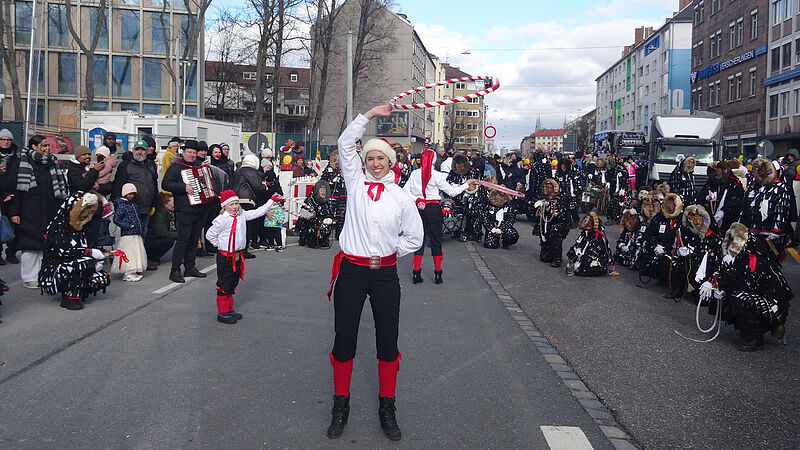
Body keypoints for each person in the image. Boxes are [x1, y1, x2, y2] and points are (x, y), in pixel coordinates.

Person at [326, 105, 424, 441]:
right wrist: (369, 115)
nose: (376, 163)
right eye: (370, 158)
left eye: (381, 158)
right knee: (344, 340)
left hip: (384, 276)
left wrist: (389, 252)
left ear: (390, 162)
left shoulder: (401, 197)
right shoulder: (353, 183)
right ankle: (341, 406)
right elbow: (344, 142)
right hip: (351, 272)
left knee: (387, 342)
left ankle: (387, 407)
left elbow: (415, 237)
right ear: (364, 162)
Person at [710, 223, 792, 351]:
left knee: (740, 298)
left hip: (772, 303)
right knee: (728, 295)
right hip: (757, 296)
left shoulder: (754, 258)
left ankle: (756, 337)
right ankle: (745, 330)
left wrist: (726, 286)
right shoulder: (736, 257)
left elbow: (748, 285)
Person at [205, 190, 277, 324]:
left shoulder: (241, 215)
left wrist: (271, 201)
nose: (234, 207)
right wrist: (221, 246)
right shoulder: (221, 220)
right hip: (226, 257)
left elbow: (258, 212)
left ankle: (229, 309)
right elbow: (209, 235)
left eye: (236, 203)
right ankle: (222, 313)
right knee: (224, 284)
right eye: (231, 204)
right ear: (224, 206)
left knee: (233, 282)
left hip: (238, 255)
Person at [6, 135, 69, 289]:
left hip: (49, 210)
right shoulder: (22, 163)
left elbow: (60, 188)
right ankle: (29, 277)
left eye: (48, 146)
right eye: (44, 145)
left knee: (45, 244)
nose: (47, 149)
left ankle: (43, 274)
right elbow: (14, 191)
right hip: (29, 211)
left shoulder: (52, 163)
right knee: (30, 246)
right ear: (34, 147)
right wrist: (14, 212)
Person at [404, 149, 474, 284]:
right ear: (434, 160)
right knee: (436, 240)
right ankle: (438, 273)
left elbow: (405, 191)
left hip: (418, 208)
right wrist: (466, 184)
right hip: (434, 208)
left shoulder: (414, 174)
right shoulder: (437, 176)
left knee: (419, 240)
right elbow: (452, 192)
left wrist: (418, 200)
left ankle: (416, 273)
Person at [39, 192, 110, 310]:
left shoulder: (84, 227)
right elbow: (64, 251)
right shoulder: (58, 227)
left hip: (75, 261)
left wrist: (98, 256)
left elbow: (89, 244)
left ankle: (80, 291)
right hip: (56, 265)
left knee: (99, 275)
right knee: (83, 263)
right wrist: (89, 252)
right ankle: (69, 297)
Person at [161, 139, 209, 283]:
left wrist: (206, 170)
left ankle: (190, 267)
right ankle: (175, 270)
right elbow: (166, 183)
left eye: (194, 153)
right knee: (183, 240)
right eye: (189, 152)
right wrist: (183, 187)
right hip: (184, 209)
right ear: (183, 152)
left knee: (194, 240)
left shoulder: (199, 165)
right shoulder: (176, 167)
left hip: (199, 208)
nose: (192, 155)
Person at [740, 157, 793, 260]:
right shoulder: (754, 189)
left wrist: (775, 231)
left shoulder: (780, 188)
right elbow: (745, 209)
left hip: (770, 237)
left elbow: (782, 210)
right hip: (753, 234)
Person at [113, 140, 159, 237]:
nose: (140, 152)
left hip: (146, 208)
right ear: (133, 150)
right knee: (130, 236)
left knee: (143, 232)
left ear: (147, 151)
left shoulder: (151, 165)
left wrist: (155, 202)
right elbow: (118, 186)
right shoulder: (125, 165)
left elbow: (154, 184)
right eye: (137, 149)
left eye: (143, 150)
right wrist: (118, 204)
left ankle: (141, 252)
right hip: (129, 208)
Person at [232, 153, 267, 258]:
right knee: (247, 227)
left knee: (238, 227)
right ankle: (244, 250)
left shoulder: (237, 171)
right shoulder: (251, 171)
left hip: (236, 201)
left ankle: (237, 249)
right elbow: (258, 186)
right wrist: (264, 186)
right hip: (247, 201)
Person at [113, 183, 147, 281]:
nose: (132, 196)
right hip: (128, 234)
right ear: (124, 194)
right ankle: (127, 272)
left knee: (135, 252)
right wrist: (128, 226)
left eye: (133, 194)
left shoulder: (132, 204)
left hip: (135, 232)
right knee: (129, 253)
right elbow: (116, 219)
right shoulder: (122, 205)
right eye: (130, 194)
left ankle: (133, 271)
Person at [534, 178, 570, 267]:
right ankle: (547, 252)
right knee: (544, 257)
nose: (549, 190)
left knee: (555, 231)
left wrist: (548, 207)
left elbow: (559, 214)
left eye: (551, 188)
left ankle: (557, 257)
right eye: (547, 187)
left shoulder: (560, 198)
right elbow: (535, 214)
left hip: (559, 224)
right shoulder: (542, 198)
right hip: (546, 223)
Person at [700, 161, 744, 233]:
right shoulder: (710, 183)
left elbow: (737, 201)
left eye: (719, 170)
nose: (717, 173)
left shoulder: (734, 183)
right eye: (715, 171)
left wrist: (723, 212)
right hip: (710, 218)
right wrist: (706, 197)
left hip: (727, 220)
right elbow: (701, 196)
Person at [566, 212, 613, 276]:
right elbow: (579, 243)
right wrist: (578, 250)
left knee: (583, 269)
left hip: (595, 259)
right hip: (584, 255)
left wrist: (583, 257)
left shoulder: (597, 237)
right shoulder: (585, 233)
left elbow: (593, 253)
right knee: (573, 257)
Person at [296, 179, 335, 249]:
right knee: (312, 230)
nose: (323, 193)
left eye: (325, 191)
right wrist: (312, 217)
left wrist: (329, 218)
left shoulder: (326, 201)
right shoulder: (310, 200)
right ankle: (308, 239)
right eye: (321, 191)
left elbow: (330, 212)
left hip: (321, 221)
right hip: (310, 223)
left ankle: (323, 240)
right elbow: (303, 213)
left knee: (326, 228)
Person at [145, 192, 177, 271]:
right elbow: (161, 232)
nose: (175, 205)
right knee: (169, 241)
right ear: (166, 204)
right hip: (152, 239)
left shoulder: (170, 212)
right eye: (173, 202)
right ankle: (151, 258)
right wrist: (178, 235)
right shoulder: (160, 214)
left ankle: (154, 257)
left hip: (156, 238)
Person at [321, 150, 347, 239]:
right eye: (337, 160)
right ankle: (325, 235)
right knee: (329, 215)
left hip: (342, 195)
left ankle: (339, 235)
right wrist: (332, 181)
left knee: (341, 216)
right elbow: (323, 182)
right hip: (332, 194)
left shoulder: (344, 171)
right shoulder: (328, 169)